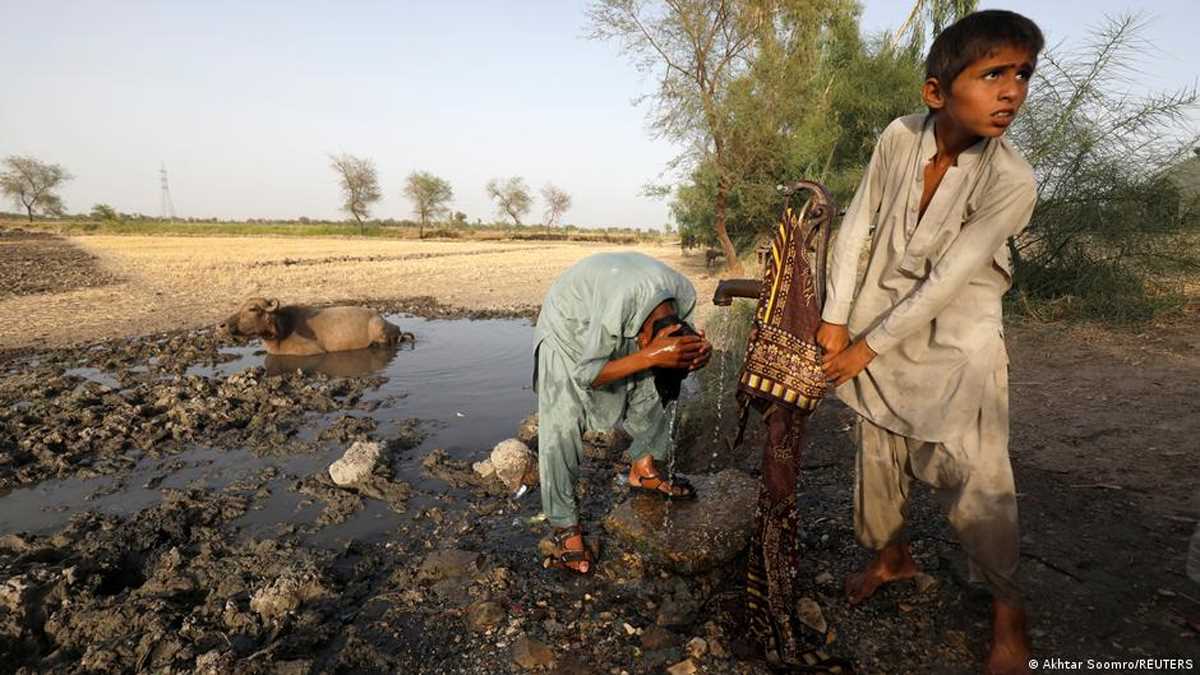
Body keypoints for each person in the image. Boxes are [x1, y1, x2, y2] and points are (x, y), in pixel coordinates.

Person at [815, 10, 1044, 675]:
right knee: (878, 451)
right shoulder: (898, 137)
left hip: (956, 341)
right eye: (993, 73)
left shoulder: (1012, 180)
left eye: (1023, 74)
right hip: (877, 319)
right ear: (936, 92)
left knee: (977, 476)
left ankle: (1009, 608)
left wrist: (862, 347)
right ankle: (892, 556)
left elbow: (949, 277)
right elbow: (858, 224)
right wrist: (835, 319)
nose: (1012, 91)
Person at [534, 252, 712, 575]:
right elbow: (588, 374)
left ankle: (643, 469)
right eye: (647, 346)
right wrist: (649, 356)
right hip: (569, 328)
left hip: (624, 318)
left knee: (663, 380)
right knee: (562, 421)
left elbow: (676, 349)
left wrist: (698, 354)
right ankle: (564, 525)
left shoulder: (684, 294)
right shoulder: (619, 305)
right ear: (644, 337)